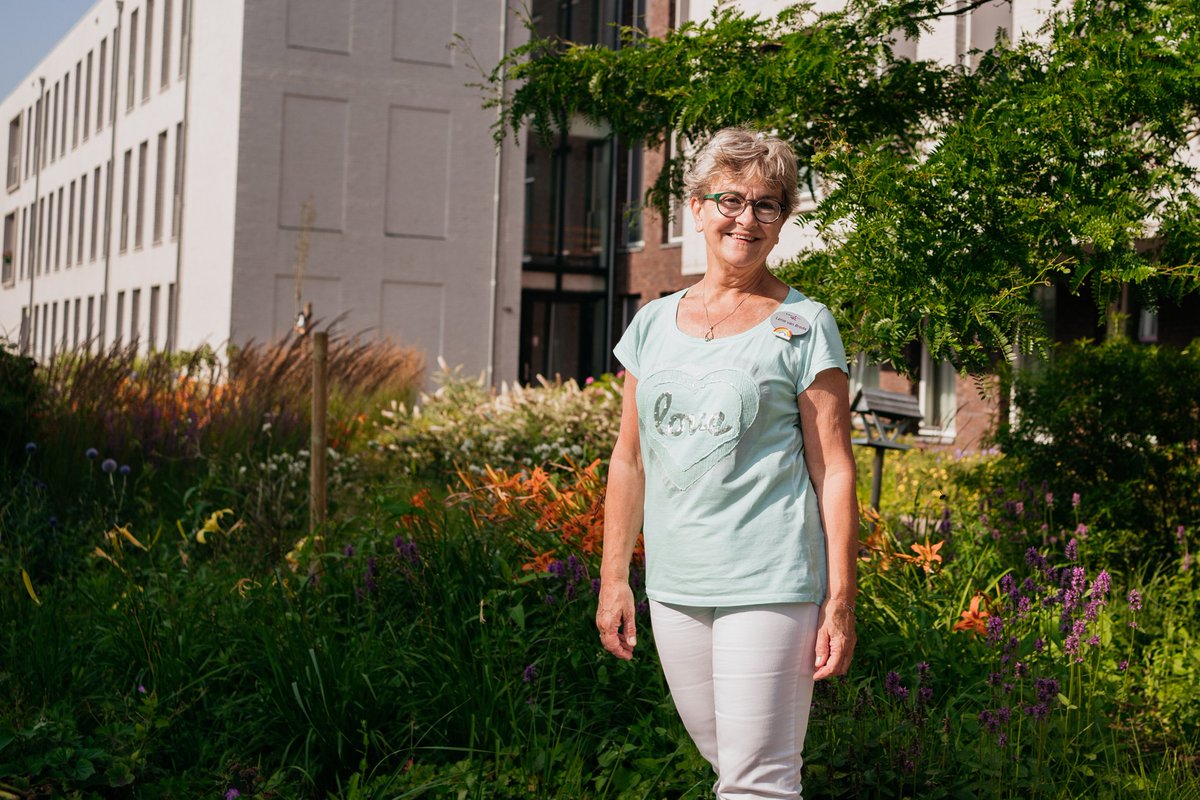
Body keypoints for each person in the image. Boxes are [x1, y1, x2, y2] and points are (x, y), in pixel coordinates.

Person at [597, 127, 858, 799]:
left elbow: (834, 470)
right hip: (678, 587)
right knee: (734, 770)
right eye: (730, 200)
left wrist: (839, 599)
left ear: (783, 220)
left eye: (766, 204)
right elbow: (629, 460)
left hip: (771, 583)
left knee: (757, 783)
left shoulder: (804, 323)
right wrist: (614, 579)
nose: (746, 219)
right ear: (695, 208)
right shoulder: (652, 324)